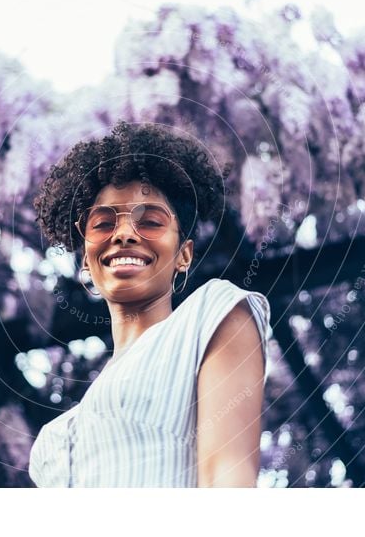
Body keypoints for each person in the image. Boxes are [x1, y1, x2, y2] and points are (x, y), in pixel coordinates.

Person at [29, 121, 273, 487]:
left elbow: (227, 480)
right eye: (102, 224)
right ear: (85, 257)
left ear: (184, 255)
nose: (124, 233)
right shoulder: (52, 442)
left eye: (152, 221)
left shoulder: (212, 316)